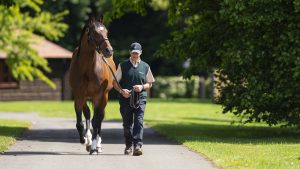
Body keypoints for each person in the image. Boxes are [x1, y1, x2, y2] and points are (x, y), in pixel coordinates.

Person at [113, 42, 155, 156]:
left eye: (137, 53)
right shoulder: (122, 65)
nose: (135, 55)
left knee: (139, 121)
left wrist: (142, 87)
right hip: (125, 99)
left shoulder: (146, 66)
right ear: (130, 53)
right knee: (127, 124)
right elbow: (115, 83)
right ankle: (128, 145)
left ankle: (138, 146)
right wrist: (122, 91)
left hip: (140, 98)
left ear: (141, 53)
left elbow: (150, 83)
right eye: (133, 53)